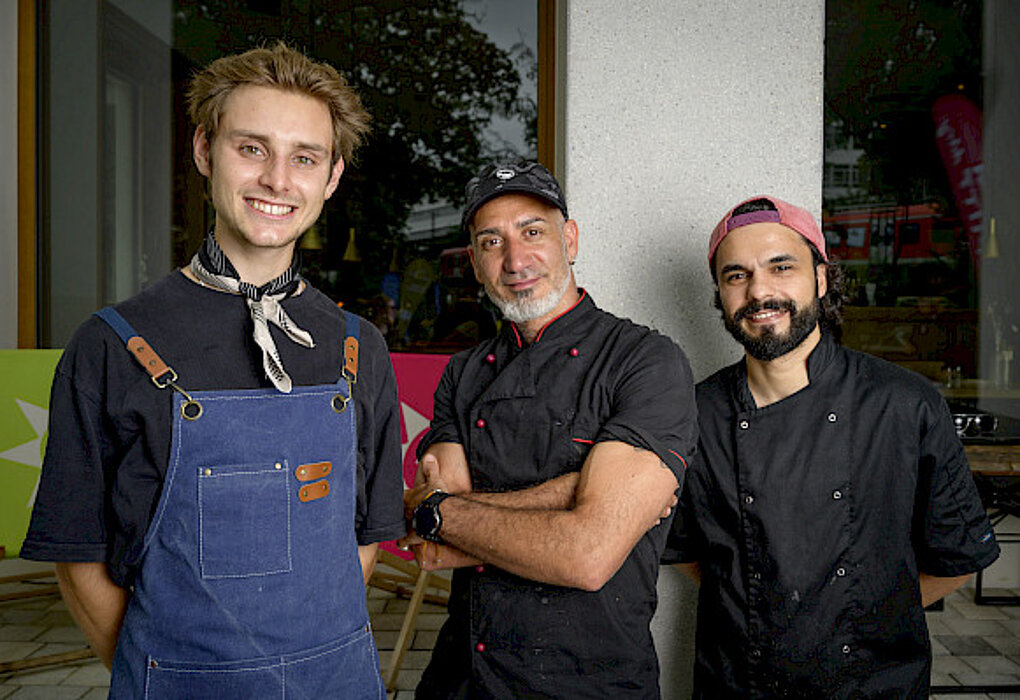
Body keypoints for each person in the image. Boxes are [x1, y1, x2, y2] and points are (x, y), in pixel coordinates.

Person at [21, 42, 403, 698]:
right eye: (251, 148)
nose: (278, 181)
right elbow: (77, 552)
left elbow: (364, 541)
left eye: (304, 158)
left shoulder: (358, 347)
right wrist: (165, 673)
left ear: (331, 177)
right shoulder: (113, 345)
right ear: (205, 150)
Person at [664, 195, 1000, 698]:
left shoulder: (905, 405)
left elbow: (957, 555)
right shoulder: (694, 414)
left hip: (873, 684)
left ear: (821, 278)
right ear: (720, 293)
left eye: (781, 267)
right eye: (736, 275)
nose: (759, 291)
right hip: (741, 683)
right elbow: (686, 552)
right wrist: (769, 612)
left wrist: (861, 613)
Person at [400, 160, 698, 699]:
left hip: (589, 683)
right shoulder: (463, 372)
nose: (515, 259)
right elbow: (431, 547)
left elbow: (587, 557)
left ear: (570, 238)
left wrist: (444, 511)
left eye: (533, 232)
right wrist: (580, 497)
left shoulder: (644, 361)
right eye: (492, 242)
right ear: (474, 262)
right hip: (462, 679)